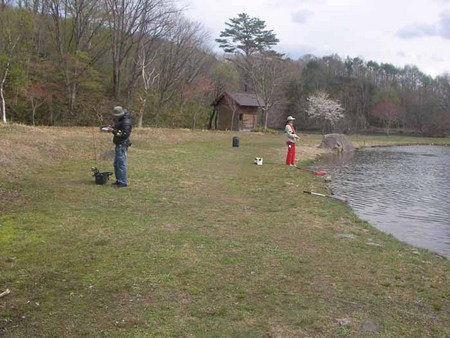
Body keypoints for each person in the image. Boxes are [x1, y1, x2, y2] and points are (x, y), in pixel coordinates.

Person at [106, 106, 132, 187]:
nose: (115, 116)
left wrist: (113, 131)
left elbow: (124, 134)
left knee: (121, 163)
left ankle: (123, 182)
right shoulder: (121, 119)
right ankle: (118, 180)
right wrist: (112, 128)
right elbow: (119, 129)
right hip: (118, 144)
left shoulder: (126, 122)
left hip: (122, 144)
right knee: (116, 163)